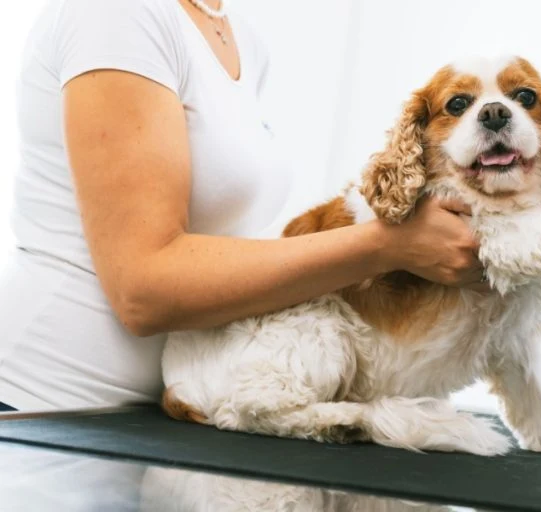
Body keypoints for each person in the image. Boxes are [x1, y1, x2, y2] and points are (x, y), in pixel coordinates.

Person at [0, 0, 485, 413]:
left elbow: (226, 248)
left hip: (166, 417)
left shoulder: (239, 38)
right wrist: (386, 245)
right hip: (54, 413)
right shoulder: (117, 14)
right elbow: (143, 289)